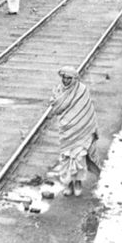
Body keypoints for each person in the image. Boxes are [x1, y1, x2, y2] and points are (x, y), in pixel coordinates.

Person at [50, 67, 101, 197]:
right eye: (64, 78)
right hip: (67, 130)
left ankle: (78, 183)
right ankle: (68, 184)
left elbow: (87, 109)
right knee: (66, 158)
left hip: (81, 129)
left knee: (79, 158)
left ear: (74, 79)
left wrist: (90, 126)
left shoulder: (82, 90)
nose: (66, 80)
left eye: (69, 78)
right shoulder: (59, 90)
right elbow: (56, 106)